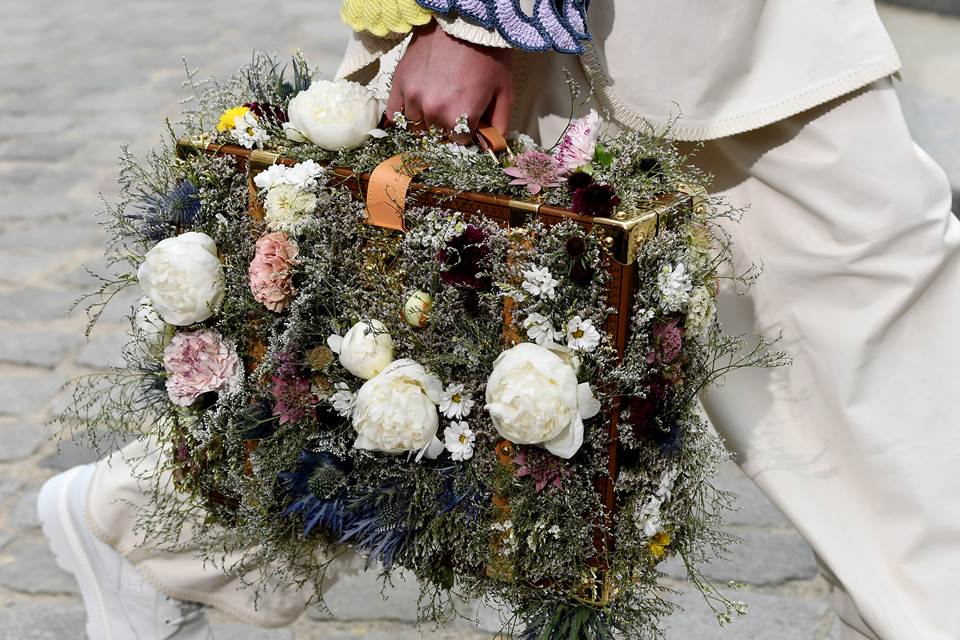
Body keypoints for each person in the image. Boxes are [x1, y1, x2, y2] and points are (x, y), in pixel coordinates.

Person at [39, 1, 960, 638]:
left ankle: (142, 527)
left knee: (420, 331)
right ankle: (144, 526)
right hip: (547, 28)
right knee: (407, 325)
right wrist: (482, 18)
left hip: (733, 32)